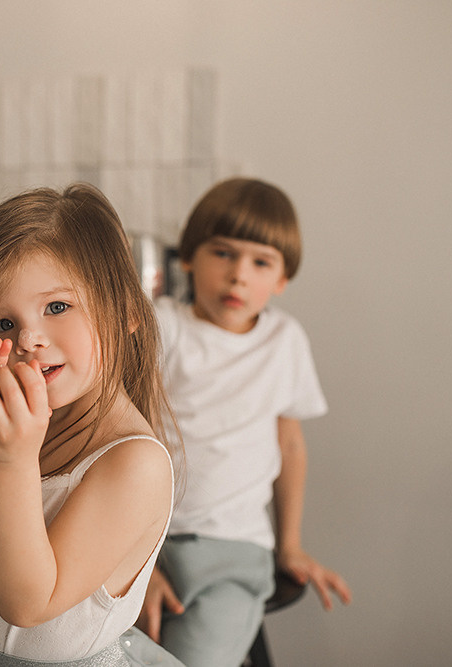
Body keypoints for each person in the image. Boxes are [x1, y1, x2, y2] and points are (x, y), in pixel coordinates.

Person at [0, 183, 185, 666]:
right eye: (3, 324)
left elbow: (27, 605)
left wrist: (13, 461)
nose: (29, 338)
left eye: (57, 307)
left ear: (129, 313)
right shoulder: (23, 427)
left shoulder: (134, 464)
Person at [137, 177, 352, 666]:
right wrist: (138, 563)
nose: (238, 276)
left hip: (233, 552)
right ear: (188, 258)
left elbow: (290, 446)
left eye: (261, 263)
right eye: (222, 253)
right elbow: (129, 435)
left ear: (282, 280)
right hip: (143, 538)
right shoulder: (163, 326)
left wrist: (290, 545)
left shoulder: (285, 341)